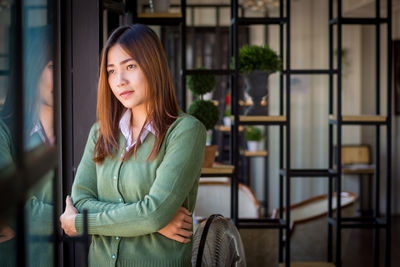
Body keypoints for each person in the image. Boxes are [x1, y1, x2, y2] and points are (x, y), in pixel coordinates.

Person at [60, 24, 207, 266]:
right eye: (111, 70)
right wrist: (150, 221)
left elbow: (155, 213)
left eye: (130, 66)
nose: (119, 80)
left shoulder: (186, 131)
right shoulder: (100, 132)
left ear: (153, 66)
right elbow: (81, 201)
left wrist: (81, 222)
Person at [0, 26, 54, 266]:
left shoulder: (89, 131)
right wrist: (86, 222)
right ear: (33, 70)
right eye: (53, 67)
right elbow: (15, 209)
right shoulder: (5, 132)